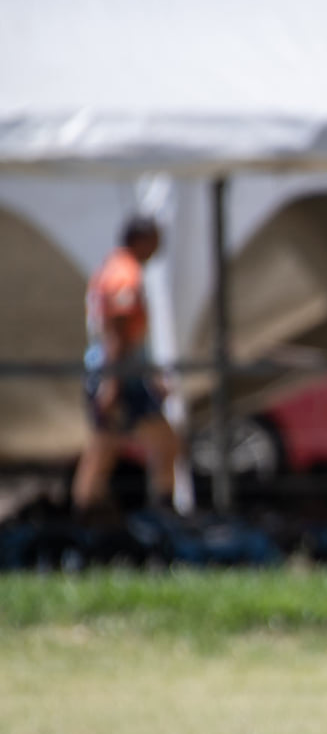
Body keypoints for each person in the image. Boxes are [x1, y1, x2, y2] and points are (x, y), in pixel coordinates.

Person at [73, 215, 181, 512]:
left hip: (116, 370)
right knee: (161, 444)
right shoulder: (125, 273)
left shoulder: (112, 267)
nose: (159, 246)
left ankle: (85, 516)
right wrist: (113, 382)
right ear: (141, 239)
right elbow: (118, 333)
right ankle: (162, 514)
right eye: (155, 238)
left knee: (104, 448)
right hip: (120, 374)